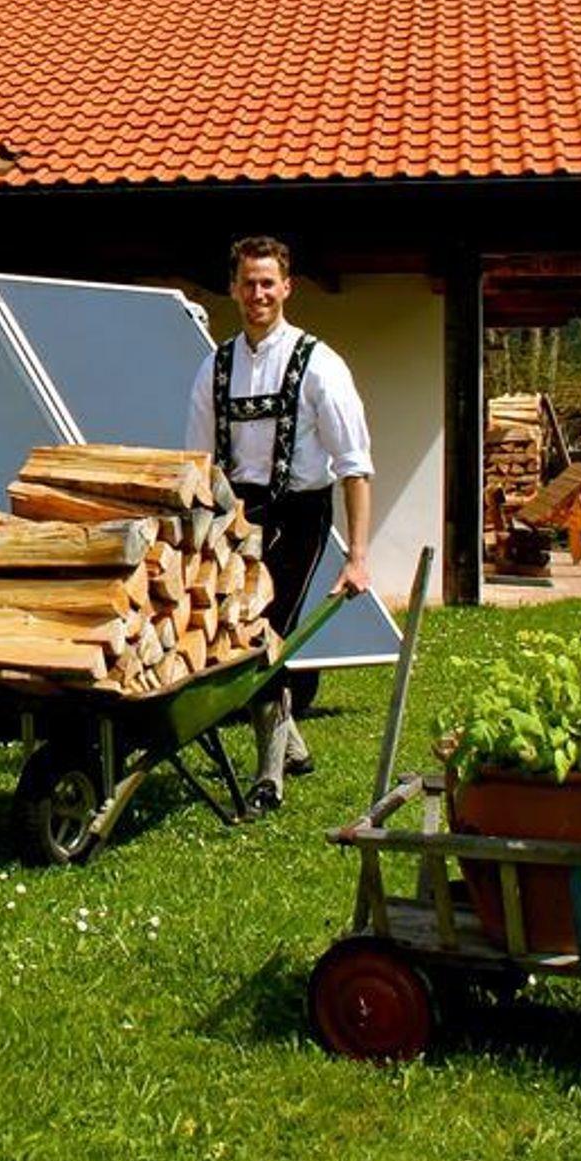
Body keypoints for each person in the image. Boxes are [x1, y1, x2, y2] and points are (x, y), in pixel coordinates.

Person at [185, 235, 372, 814]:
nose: (258, 293)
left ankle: (269, 776)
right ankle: (292, 745)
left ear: (287, 288)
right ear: (233, 288)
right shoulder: (215, 367)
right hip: (237, 515)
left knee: (263, 633)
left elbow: (355, 467)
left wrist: (357, 556)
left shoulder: (320, 364)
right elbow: (199, 465)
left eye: (268, 283)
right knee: (230, 630)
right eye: (248, 283)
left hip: (300, 513)